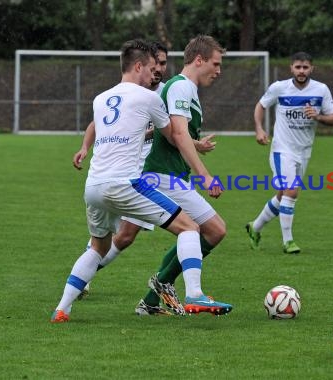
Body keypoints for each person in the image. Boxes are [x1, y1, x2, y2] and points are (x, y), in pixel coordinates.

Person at [51, 38, 223, 323]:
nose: (155, 74)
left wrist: (84, 147)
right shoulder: (150, 98)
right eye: (151, 68)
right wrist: (203, 170)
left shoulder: (101, 98)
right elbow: (174, 134)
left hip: (93, 186)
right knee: (189, 227)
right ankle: (194, 295)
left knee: (98, 247)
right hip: (127, 183)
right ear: (139, 66)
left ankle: (62, 309)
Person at [135, 34, 232, 316]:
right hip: (163, 175)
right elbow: (177, 131)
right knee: (212, 229)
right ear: (198, 60)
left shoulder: (184, 88)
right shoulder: (181, 88)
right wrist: (205, 175)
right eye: (215, 63)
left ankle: (153, 298)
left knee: (204, 230)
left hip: (169, 174)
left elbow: (177, 134)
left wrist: (196, 145)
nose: (219, 70)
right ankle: (184, 291)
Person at [71, 41, 170, 299]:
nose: (158, 68)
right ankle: (83, 279)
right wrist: (85, 147)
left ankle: (80, 278)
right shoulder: (135, 92)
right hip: (128, 174)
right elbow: (98, 122)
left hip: (146, 169)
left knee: (120, 236)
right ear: (142, 65)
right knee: (124, 235)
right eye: (155, 63)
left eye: (163, 63)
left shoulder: (166, 92)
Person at [246, 52, 333, 254]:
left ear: (311, 68)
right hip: (282, 149)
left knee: (283, 194)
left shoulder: (321, 90)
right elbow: (261, 105)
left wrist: (318, 116)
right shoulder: (280, 87)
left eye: (305, 67)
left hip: (304, 151)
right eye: (298, 67)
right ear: (291, 68)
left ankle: (255, 227)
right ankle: (288, 241)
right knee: (292, 191)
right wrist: (259, 128)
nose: (301, 71)